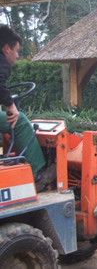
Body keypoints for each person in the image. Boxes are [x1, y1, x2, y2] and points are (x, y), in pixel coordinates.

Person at [0, 25, 55, 191]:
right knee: (21, 121)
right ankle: (38, 173)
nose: (17, 56)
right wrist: (10, 105)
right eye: (16, 51)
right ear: (6, 48)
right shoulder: (1, 61)